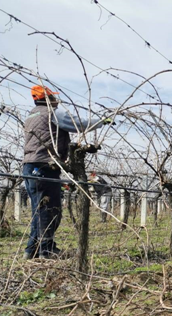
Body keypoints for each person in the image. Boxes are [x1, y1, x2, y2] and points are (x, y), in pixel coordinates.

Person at [23, 85, 112, 259]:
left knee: (38, 209)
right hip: (44, 166)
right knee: (50, 209)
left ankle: (30, 250)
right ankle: (46, 251)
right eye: (54, 98)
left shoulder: (31, 116)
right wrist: (102, 121)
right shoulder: (52, 113)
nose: (57, 101)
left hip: (30, 166)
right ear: (47, 99)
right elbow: (77, 124)